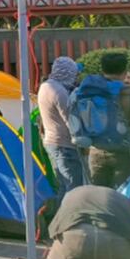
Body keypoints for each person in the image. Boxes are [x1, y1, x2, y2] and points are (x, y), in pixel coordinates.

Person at [75, 53, 130, 188]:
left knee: (100, 196)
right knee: (124, 194)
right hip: (124, 151)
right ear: (124, 72)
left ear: (103, 70)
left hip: (96, 151)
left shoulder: (89, 91)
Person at [38, 57, 86, 194]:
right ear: (67, 72)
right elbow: (71, 121)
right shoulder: (59, 92)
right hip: (64, 145)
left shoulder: (45, 86)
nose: (75, 76)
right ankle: (67, 215)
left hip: (52, 142)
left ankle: (59, 215)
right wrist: (83, 141)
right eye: (74, 73)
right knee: (73, 188)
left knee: (63, 187)